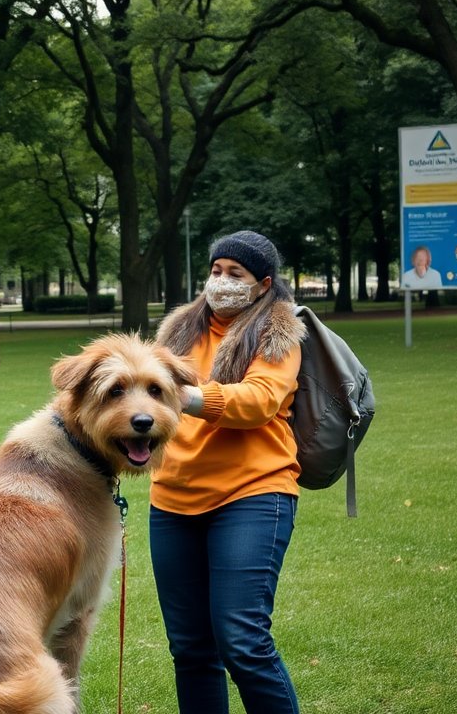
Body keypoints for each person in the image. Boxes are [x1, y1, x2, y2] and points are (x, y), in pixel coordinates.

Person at [151, 230, 304, 713]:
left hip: (253, 493)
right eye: (216, 271)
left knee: (243, 642)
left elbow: (260, 400)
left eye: (235, 274)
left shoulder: (277, 333)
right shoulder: (179, 330)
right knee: (191, 650)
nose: (221, 281)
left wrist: (184, 396)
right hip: (172, 499)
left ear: (263, 284)